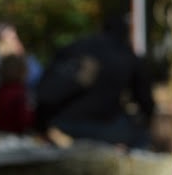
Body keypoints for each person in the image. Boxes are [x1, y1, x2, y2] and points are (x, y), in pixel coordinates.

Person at [35, 15, 155, 149]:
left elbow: (44, 90)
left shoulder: (76, 48)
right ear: (126, 33)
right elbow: (145, 101)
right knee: (142, 136)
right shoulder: (127, 56)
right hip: (102, 126)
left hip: (61, 122)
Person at [0, 54, 34, 134]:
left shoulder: (0, 91)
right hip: (15, 133)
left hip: (0, 131)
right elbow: (23, 119)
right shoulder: (20, 93)